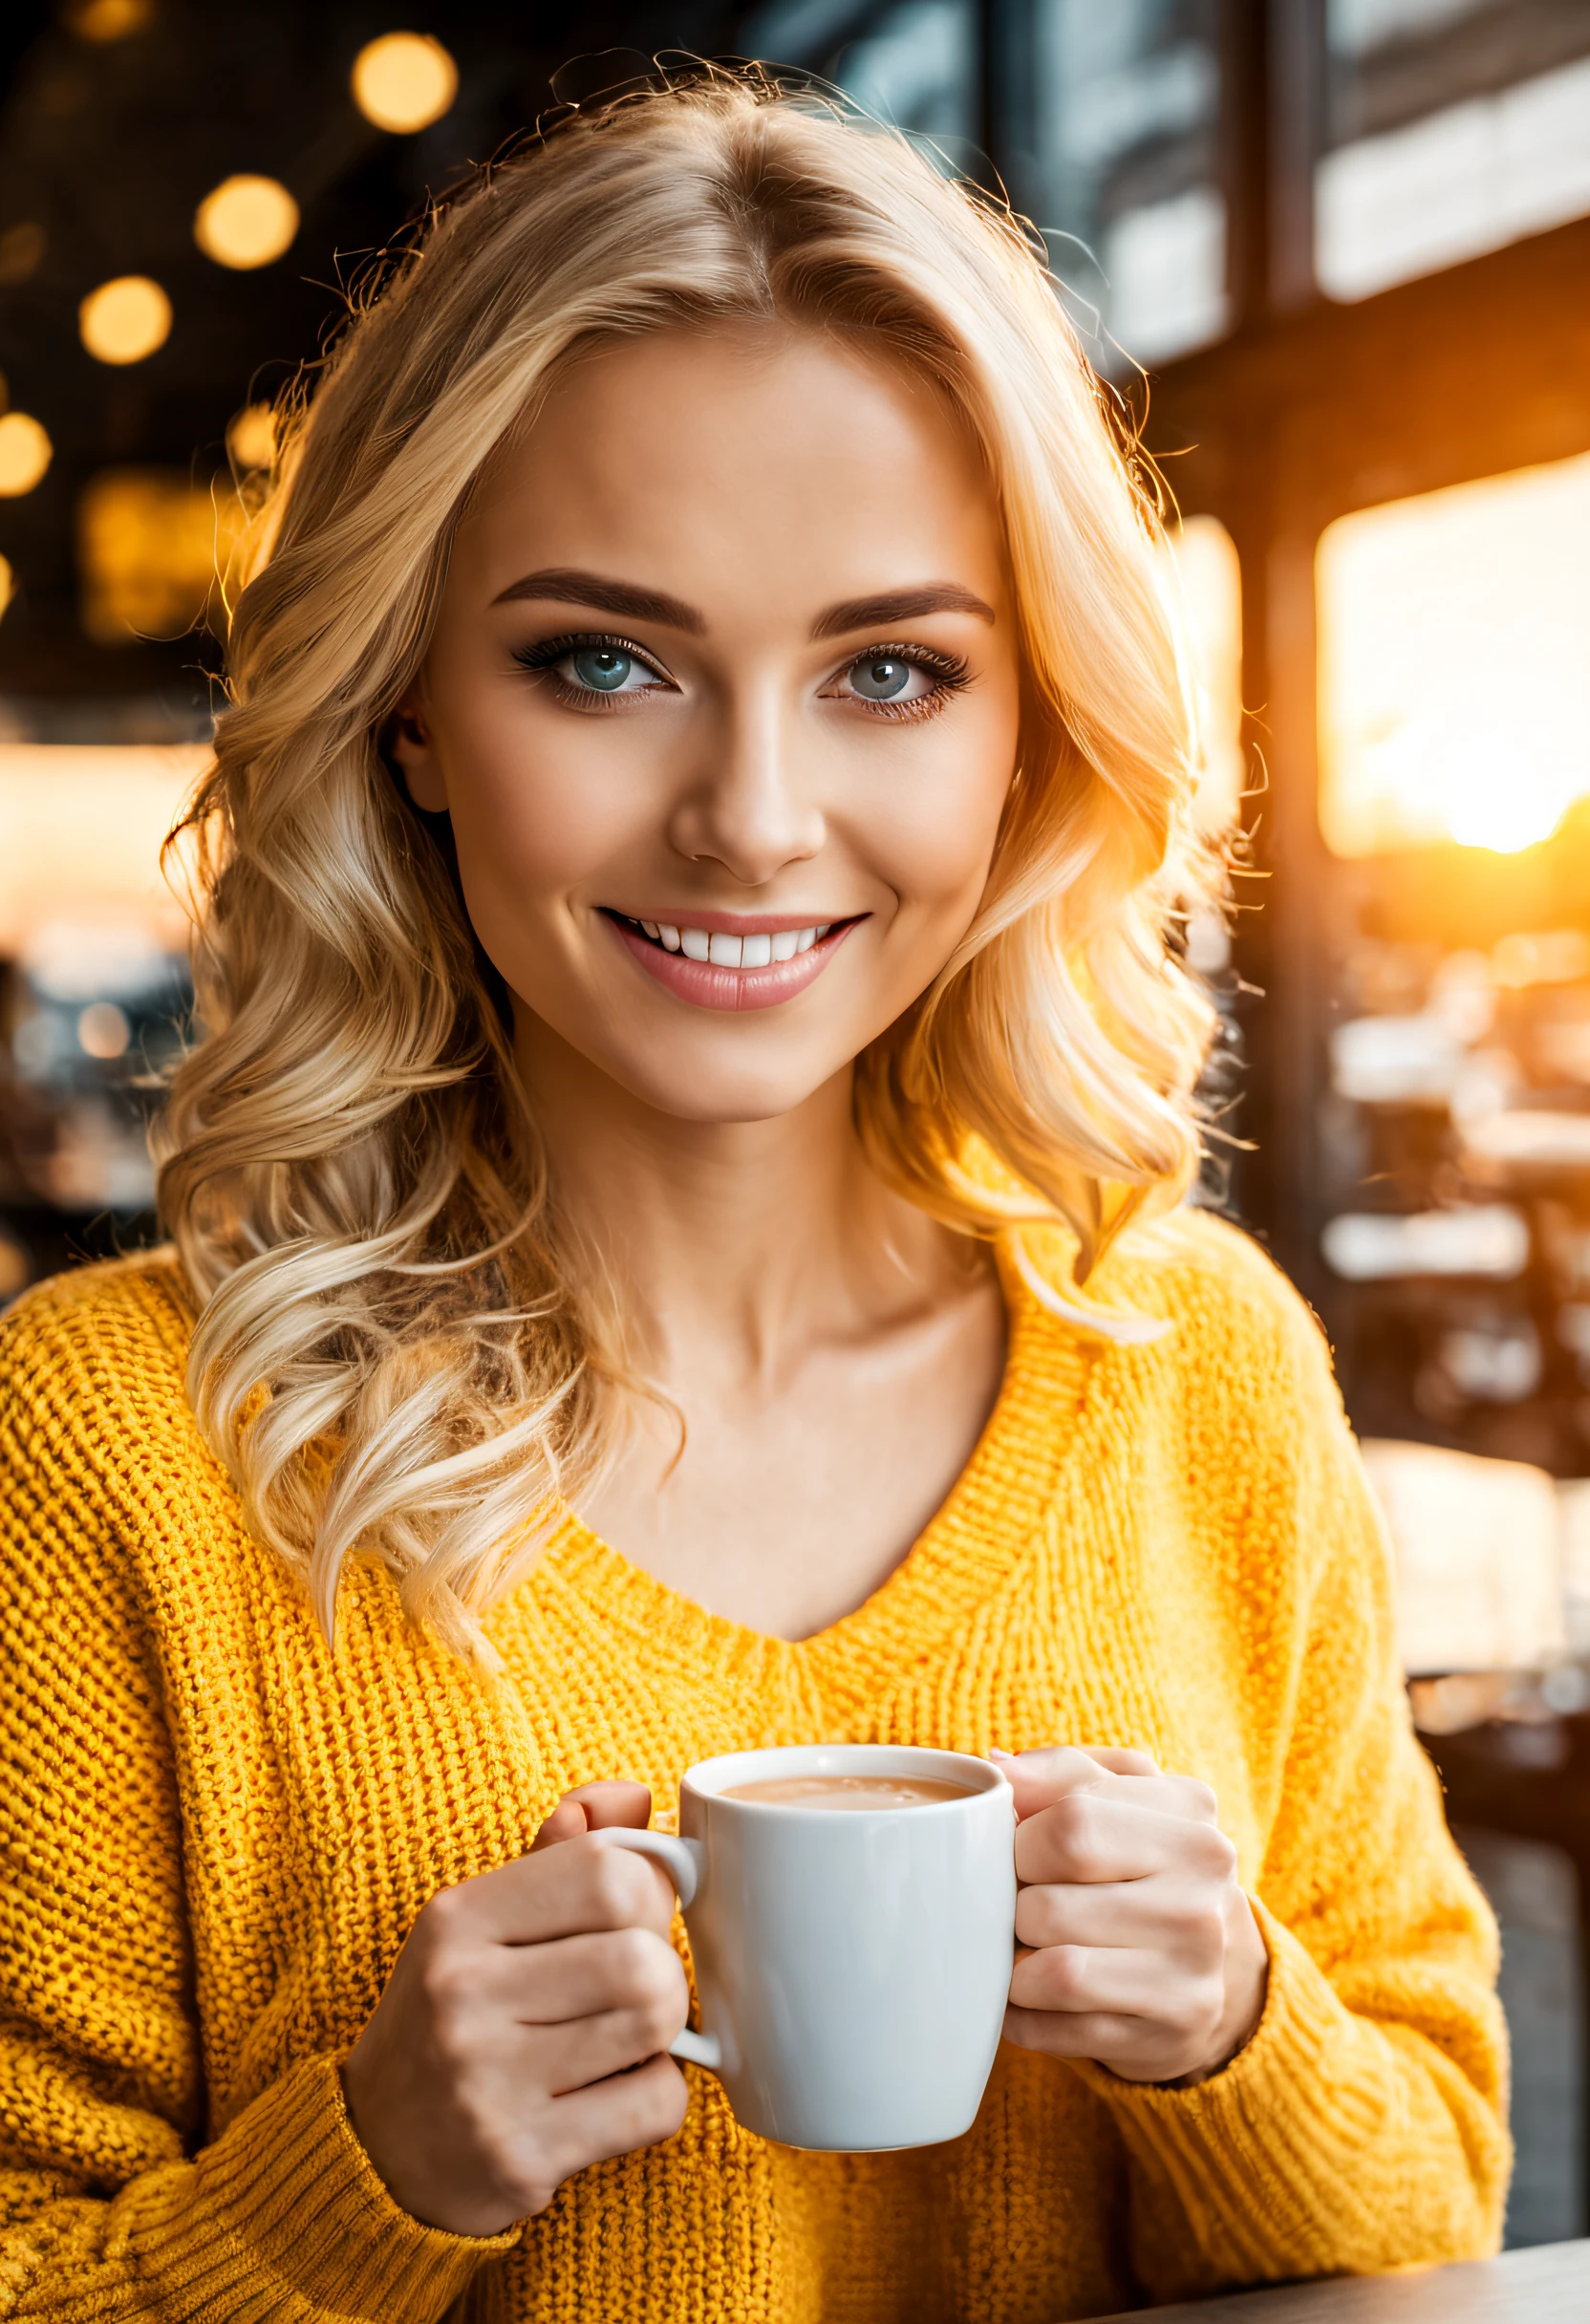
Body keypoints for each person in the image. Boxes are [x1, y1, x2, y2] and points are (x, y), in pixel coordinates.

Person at [0, 70, 1506, 2324]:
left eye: (889, 669)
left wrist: (1235, 2028)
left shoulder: (1195, 1365)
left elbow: (1442, 2203)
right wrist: (365, 2168)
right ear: (409, 704)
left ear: (1027, 742)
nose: (754, 818)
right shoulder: (111, 1451)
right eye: (601, 661)